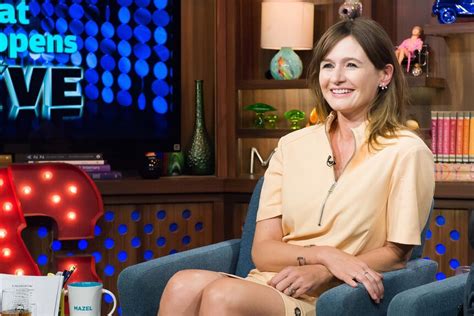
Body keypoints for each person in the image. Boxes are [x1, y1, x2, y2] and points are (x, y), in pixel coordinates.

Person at [158, 17, 434, 316]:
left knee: (224, 296)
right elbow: (262, 251)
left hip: (331, 295)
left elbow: (397, 254)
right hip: (273, 283)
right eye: (328, 66)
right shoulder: (292, 146)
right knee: (181, 285)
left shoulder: (405, 150)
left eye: (351, 65)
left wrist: (325, 273)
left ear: (385, 74)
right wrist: (324, 257)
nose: (336, 78)